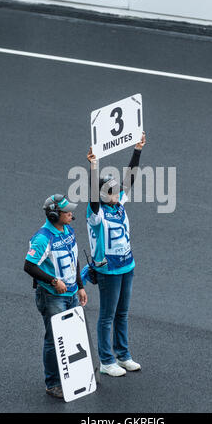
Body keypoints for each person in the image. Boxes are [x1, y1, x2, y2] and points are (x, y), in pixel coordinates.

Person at [86, 132, 146, 376]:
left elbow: (130, 179)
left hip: (126, 266)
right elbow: (92, 197)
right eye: (110, 190)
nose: (116, 192)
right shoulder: (96, 215)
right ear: (101, 194)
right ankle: (106, 360)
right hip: (108, 270)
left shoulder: (119, 204)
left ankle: (123, 355)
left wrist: (138, 150)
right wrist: (93, 166)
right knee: (107, 316)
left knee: (122, 313)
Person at [24, 194, 87, 399]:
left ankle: (76, 376)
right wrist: (53, 281)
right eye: (66, 211)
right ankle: (52, 383)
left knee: (74, 336)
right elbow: (29, 266)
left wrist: (80, 286)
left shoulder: (68, 230)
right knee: (54, 339)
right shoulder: (42, 238)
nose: (71, 213)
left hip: (71, 293)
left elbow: (74, 257)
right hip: (53, 297)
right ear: (53, 214)